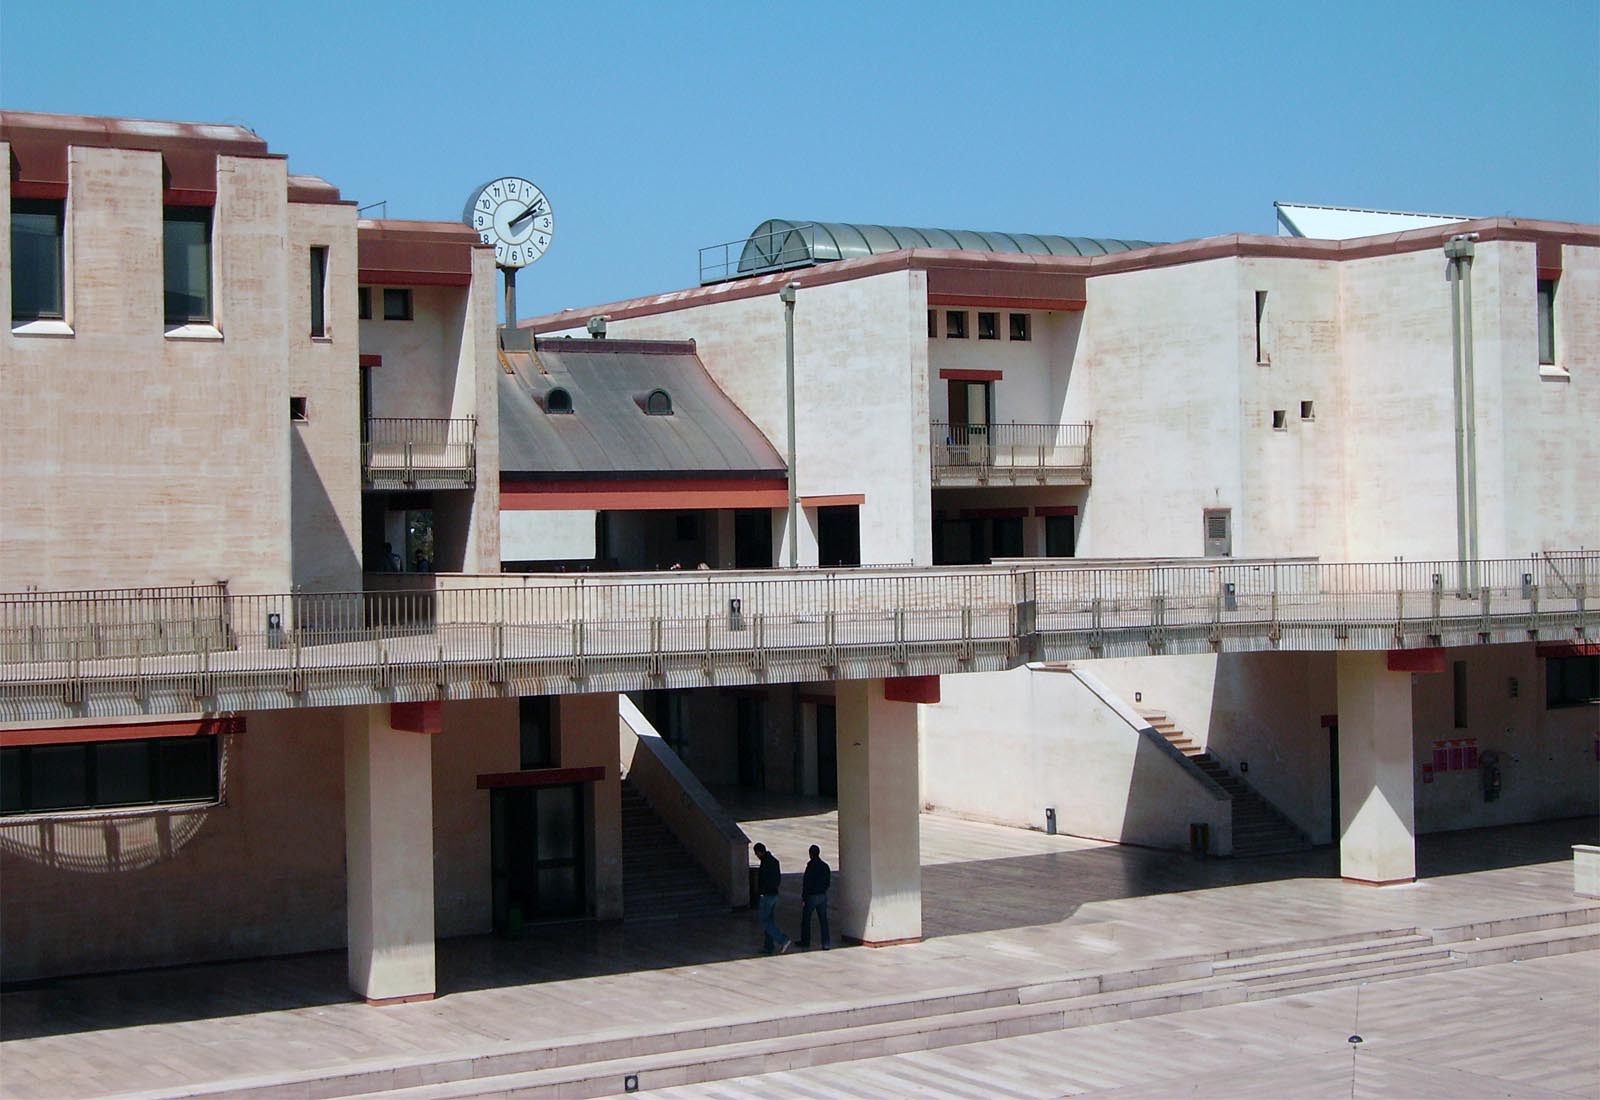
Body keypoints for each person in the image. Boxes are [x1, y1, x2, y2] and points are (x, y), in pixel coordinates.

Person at [752, 843, 791, 955]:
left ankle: (783, 939)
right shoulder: (774, 861)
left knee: (765, 921)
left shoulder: (765, 863)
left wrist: (761, 892)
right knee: (770, 921)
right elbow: (777, 879)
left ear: (759, 852)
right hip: (774, 894)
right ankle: (768, 946)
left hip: (766, 895)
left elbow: (763, 880)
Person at [798, 844, 832, 950]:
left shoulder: (811, 866)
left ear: (810, 854)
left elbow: (807, 883)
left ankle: (805, 941)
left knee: (806, 919)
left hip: (812, 896)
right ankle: (826, 943)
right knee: (823, 920)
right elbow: (828, 882)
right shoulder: (825, 866)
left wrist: (804, 898)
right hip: (822, 895)